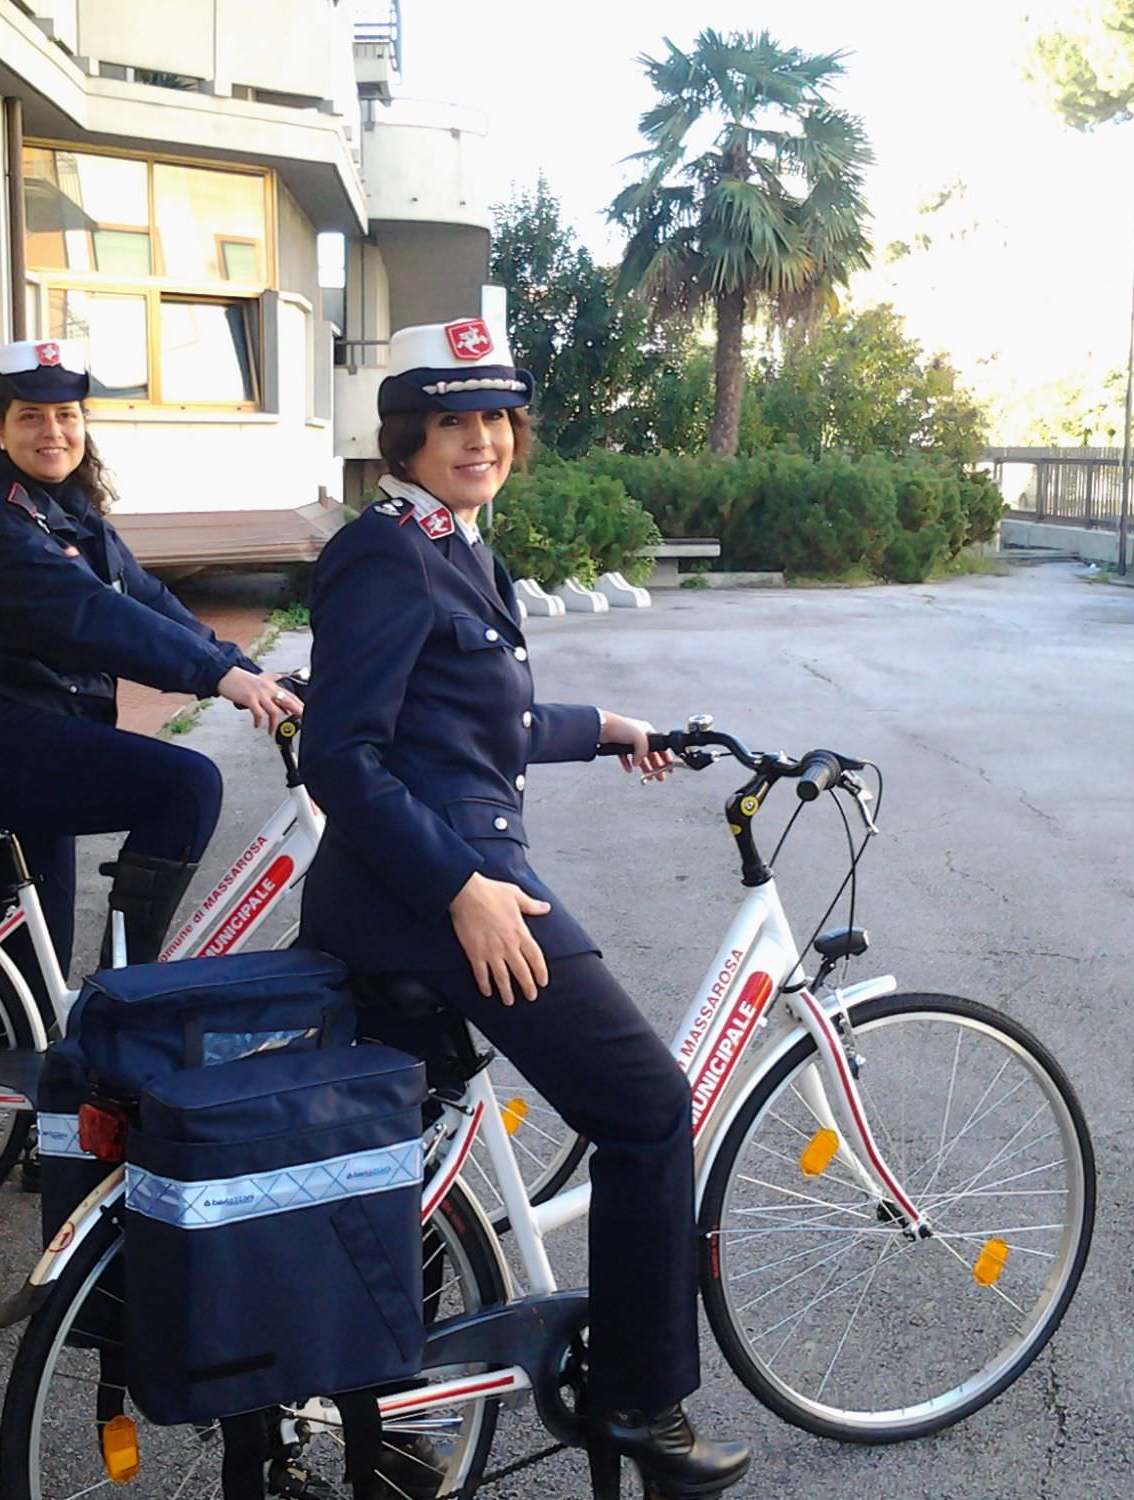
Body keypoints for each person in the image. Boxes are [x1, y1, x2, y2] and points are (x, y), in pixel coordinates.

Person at [298, 320, 749, 1497]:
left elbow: (462, 725)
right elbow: (340, 759)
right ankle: (638, 1405)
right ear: (406, 433)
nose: (481, 438)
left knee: (400, 1155)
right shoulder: (386, 552)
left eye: (494, 418)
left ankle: (381, 1420)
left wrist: (602, 728)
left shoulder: (446, 546)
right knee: (648, 1106)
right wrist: (461, 894)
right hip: (438, 894)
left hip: (402, 895)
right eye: (453, 420)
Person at [0, 340, 300, 994]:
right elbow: (90, 615)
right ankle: (125, 994)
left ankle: (55, 1071)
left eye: (66, 415)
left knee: (38, 981)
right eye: (31, 416)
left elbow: (144, 599)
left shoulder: (64, 511)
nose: (53, 431)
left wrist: (240, 667)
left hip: (28, 739)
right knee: (185, 787)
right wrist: (216, 677)